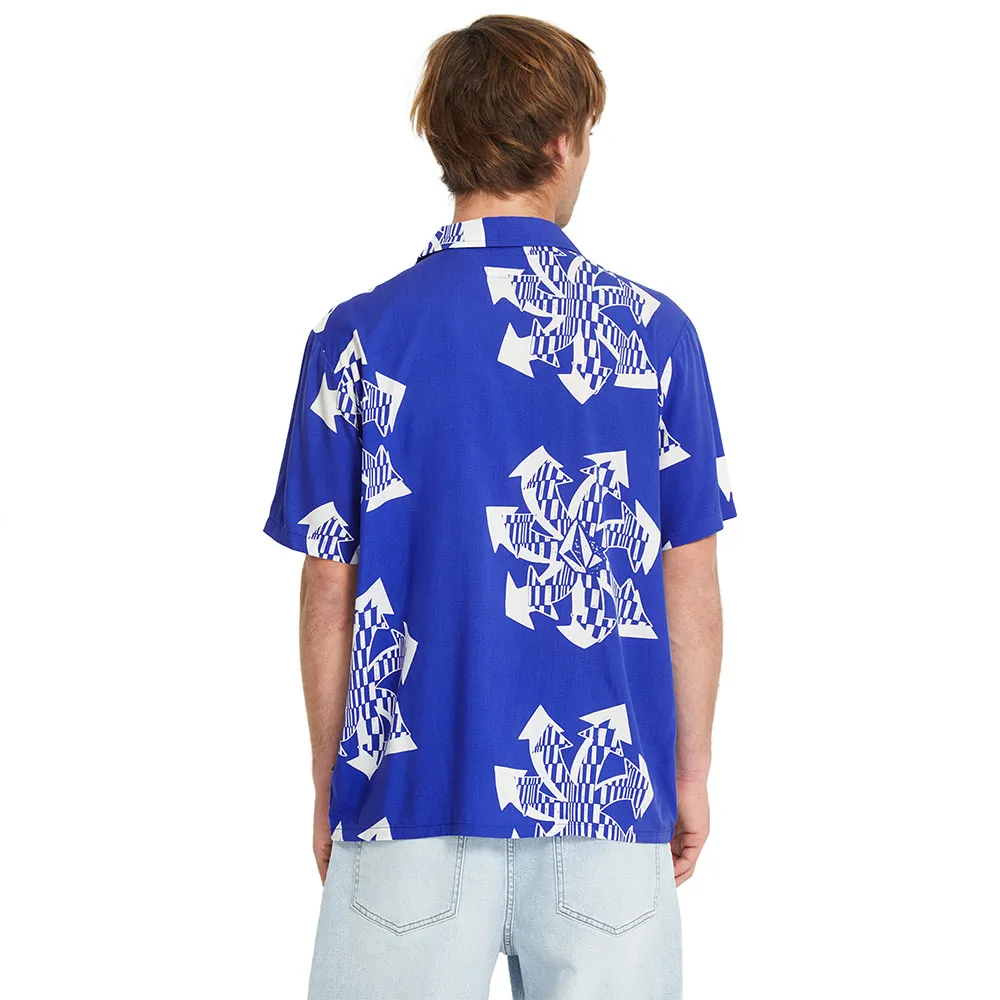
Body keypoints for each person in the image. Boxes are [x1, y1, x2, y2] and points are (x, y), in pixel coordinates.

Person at [263, 14, 736, 1000]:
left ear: (445, 141)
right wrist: (688, 775)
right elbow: (687, 576)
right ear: (561, 142)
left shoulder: (358, 337)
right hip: (609, 808)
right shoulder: (655, 336)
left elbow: (328, 587)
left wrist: (329, 779)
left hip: (407, 799)